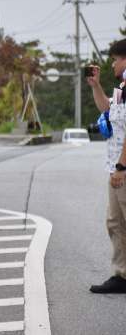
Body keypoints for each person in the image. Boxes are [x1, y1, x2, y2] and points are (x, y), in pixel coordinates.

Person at [87, 39, 126, 293]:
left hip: (122, 167)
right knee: (115, 222)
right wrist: (96, 85)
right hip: (115, 166)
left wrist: (122, 167)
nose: (112, 63)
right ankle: (121, 275)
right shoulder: (122, 88)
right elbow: (106, 110)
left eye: (115, 59)